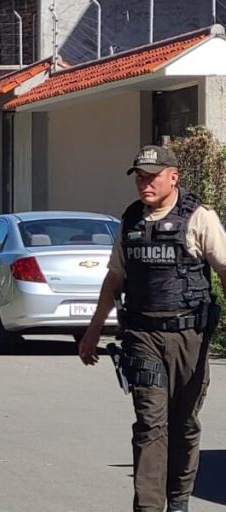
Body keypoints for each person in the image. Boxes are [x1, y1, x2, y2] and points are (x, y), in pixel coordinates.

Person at [79, 145, 226, 512]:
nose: (144, 184)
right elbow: (114, 278)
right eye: (140, 177)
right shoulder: (130, 220)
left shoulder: (199, 218)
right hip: (142, 336)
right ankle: (148, 507)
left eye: (152, 176)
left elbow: (224, 268)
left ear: (173, 177)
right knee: (149, 422)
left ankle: (178, 501)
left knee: (185, 423)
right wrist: (94, 330)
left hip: (190, 336)